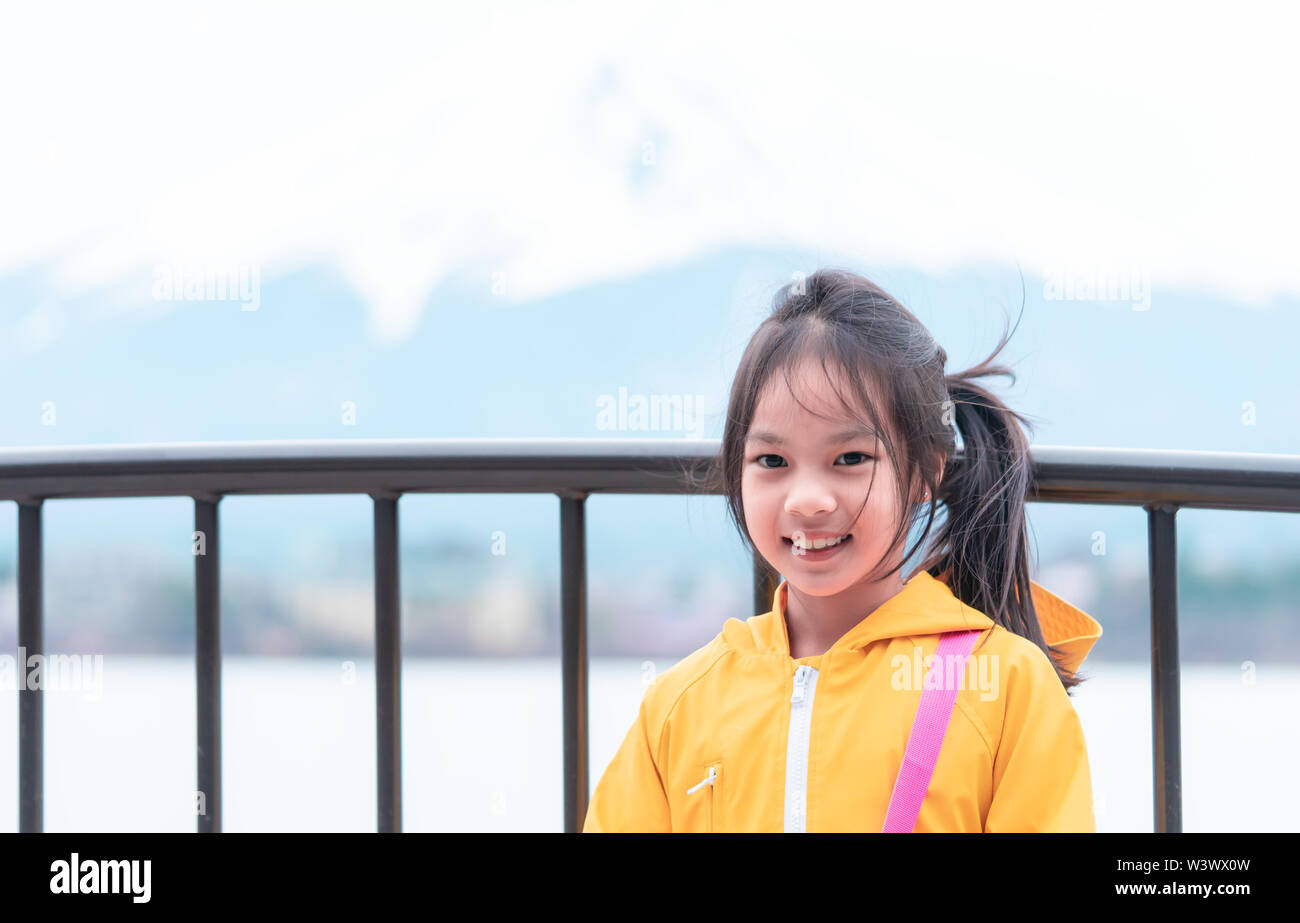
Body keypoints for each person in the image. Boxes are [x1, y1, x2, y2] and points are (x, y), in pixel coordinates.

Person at [582, 268, 1103, 833]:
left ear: (925, 472)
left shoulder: (1007, 687)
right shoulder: (681, 704)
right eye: (773, 461)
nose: (807, 501)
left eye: (851, 458)